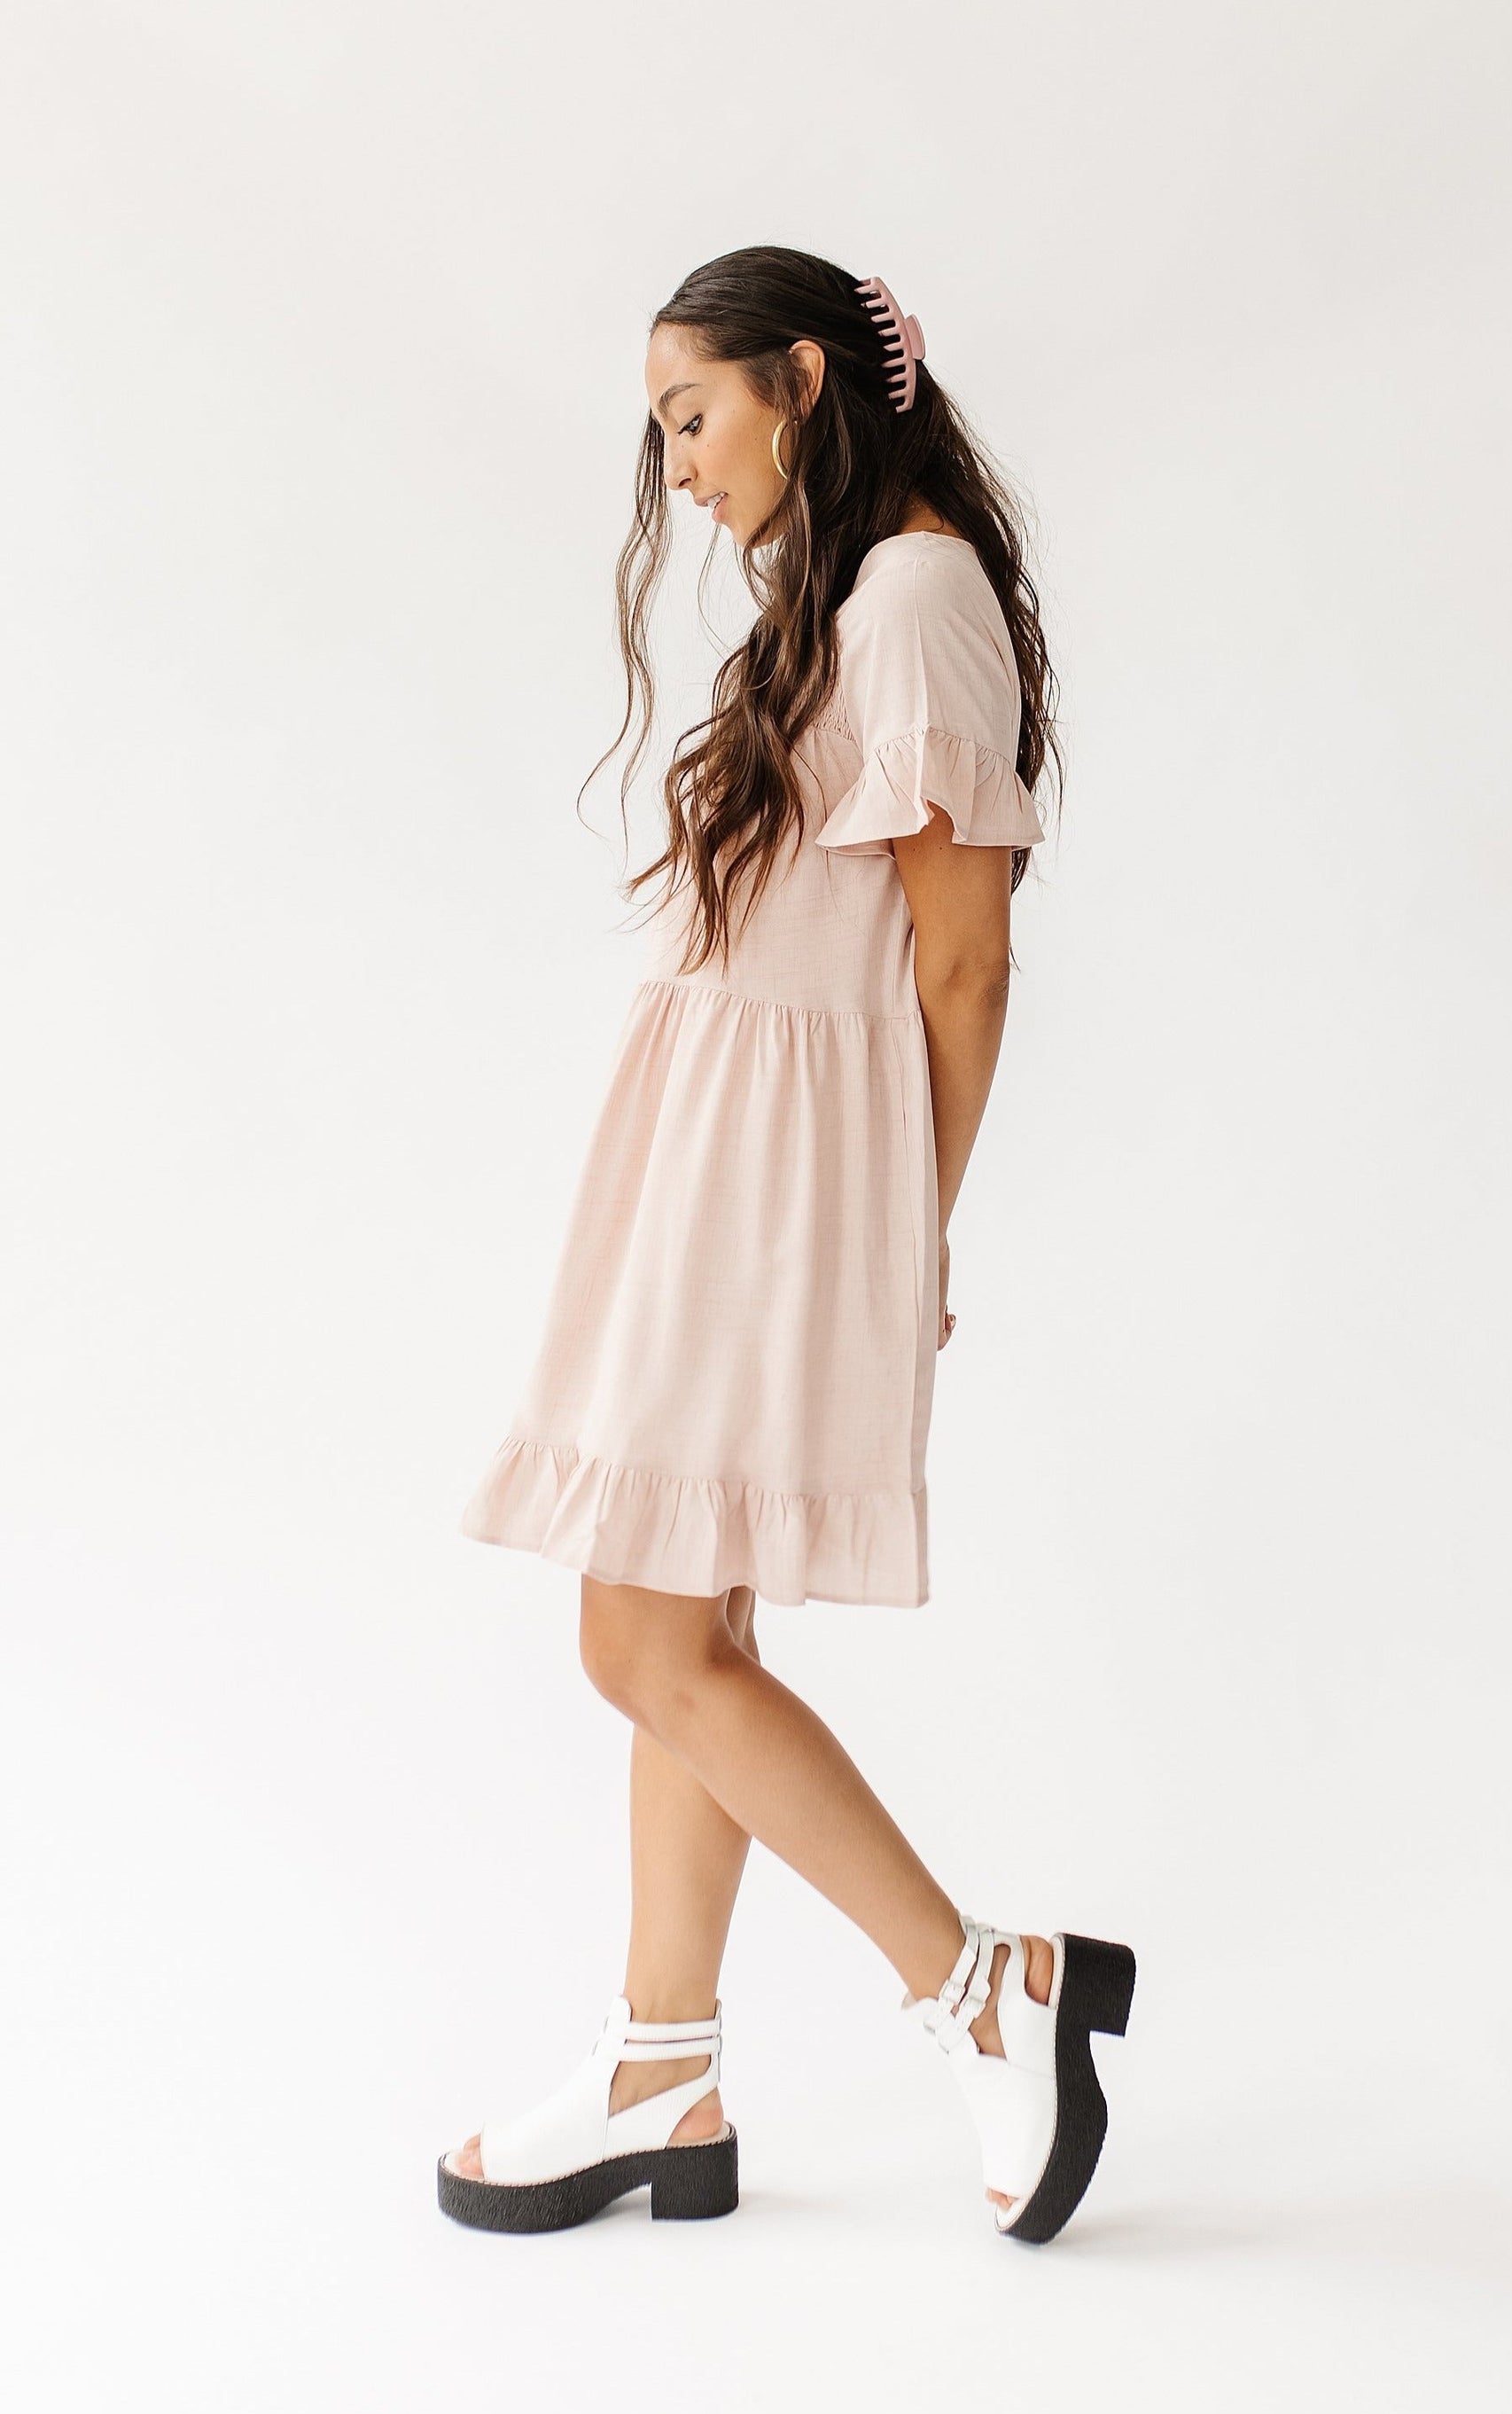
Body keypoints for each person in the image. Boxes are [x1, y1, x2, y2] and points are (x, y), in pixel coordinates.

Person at [437, 246, 1134, 2245]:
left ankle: (980, 1983)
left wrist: (912, 1222)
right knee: (686, 1630)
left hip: (780, 1172)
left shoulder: (909, 597)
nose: (679, 469)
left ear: (803, 381)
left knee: (640, 1640)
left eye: (694, 417)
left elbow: (966, 959)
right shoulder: (852, 596)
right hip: (724, 1152)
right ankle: (662, 2067)